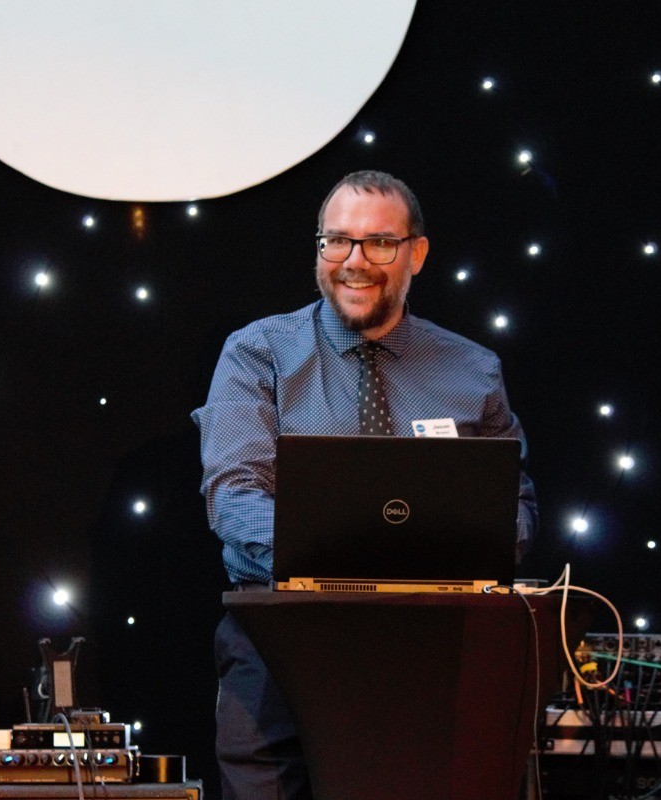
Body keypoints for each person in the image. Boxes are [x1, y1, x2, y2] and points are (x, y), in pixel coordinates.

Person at [191, 170, 538, 799]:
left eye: (379, 243)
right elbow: (233, 494)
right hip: (278, 654)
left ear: (416, 254)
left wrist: (468, 549)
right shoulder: (257, 354)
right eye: (337, 242)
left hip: (430, 654)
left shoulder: (473, 368)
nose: (355, 262)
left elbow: (514, 507)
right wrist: (348, 560)